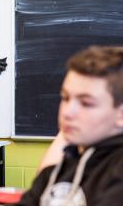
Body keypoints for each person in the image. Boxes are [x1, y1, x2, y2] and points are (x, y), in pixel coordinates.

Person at [14, 46, 123, 206]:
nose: (67, 112)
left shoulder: (117, 170)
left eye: (86, 103)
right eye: (65, 98)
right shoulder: (61, 168)